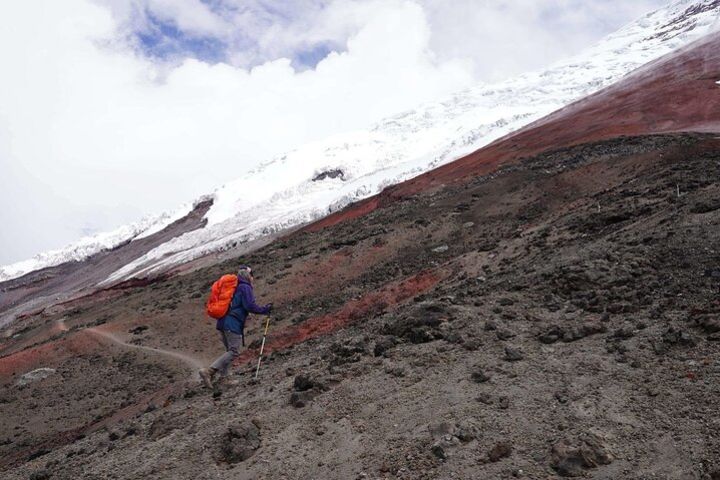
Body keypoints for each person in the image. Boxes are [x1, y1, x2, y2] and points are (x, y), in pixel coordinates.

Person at [199, 265, 271, 388]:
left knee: (229, 351)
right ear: (249, 275)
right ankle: (209, 371)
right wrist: (265, 310)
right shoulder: (245, 287)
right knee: (233, 351)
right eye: (252, 275)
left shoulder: (233, 287)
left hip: (222, 323)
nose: (253, 278)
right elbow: (250, 306)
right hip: (232, 324)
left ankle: (224, 379)